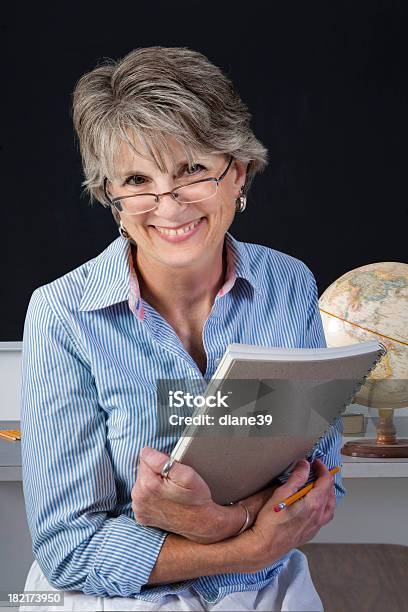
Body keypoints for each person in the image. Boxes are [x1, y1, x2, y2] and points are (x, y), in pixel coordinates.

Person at [20, 46, 345, 612]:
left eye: (192, 170)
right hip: (119, 599)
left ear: (237, 172)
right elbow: (68, 550)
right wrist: (243, 541)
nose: (167, 206)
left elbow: (321, 483)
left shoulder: (289, 285)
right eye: (137, 180)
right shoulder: (60, 316)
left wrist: (213, 520)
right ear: (112, 198)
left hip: (268, 591)